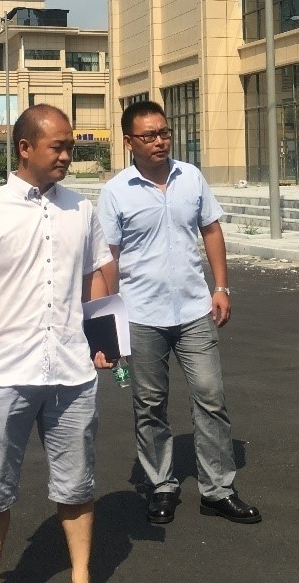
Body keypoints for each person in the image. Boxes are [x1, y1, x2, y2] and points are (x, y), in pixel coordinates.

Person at [0, 104, 116, 583]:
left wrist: (105, 341)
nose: (66, 156)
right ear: (25, 148)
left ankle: (81, 581)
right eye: (57, 147)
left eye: (70, 148)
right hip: (4, 373)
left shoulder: (80, 209)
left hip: (71, 372)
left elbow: (96, 276)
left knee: (77, 483)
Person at [97, 100, 260, 527]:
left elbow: (211, 230)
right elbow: (107, 257)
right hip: (140, 314)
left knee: (211, 396)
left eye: (164, 132)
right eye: (149, 135)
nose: (160, 141)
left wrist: (221, 287)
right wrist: (107, 320)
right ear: (129, 141)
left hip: (193, 309)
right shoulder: (116, 192)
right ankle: (161, 485)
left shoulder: (191, 177)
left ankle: (217, 490)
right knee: (149, 404)